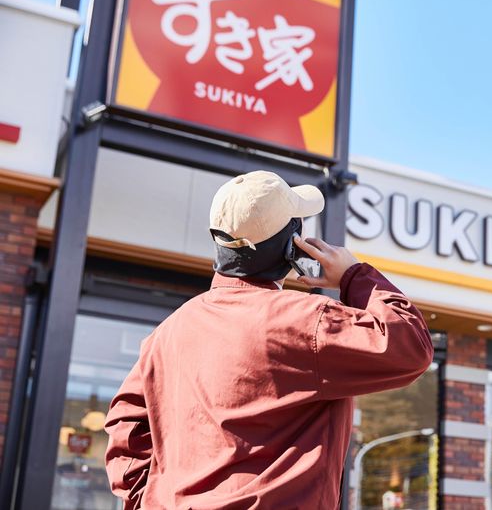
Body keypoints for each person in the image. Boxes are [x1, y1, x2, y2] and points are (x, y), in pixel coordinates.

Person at [104, 171, 433, 509]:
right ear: (292, 245)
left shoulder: (170, 330)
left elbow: (124, 425)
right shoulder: (305, 321)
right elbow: (410, 345)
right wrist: (353, 274)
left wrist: (150, 499)